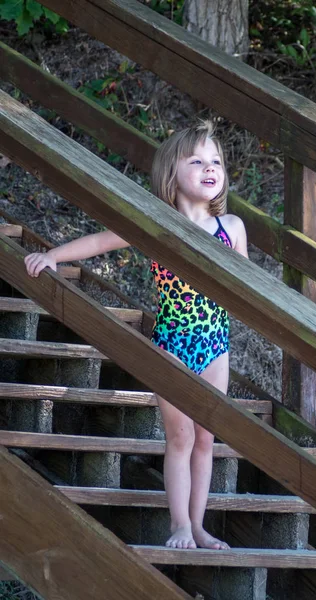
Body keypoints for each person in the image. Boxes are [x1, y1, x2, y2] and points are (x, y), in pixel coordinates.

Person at [25, 120, 248, 550]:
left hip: (216, 342)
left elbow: (251, 288)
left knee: (206, 436)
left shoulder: (231, 228)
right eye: (197, 160)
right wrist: (52, 255)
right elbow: (99, 242)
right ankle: (180, 525)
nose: (210, 168)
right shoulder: (156, 222)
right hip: (173, 341)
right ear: (172, 173)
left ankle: (200, 526)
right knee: (180, 436)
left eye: (216, 161)